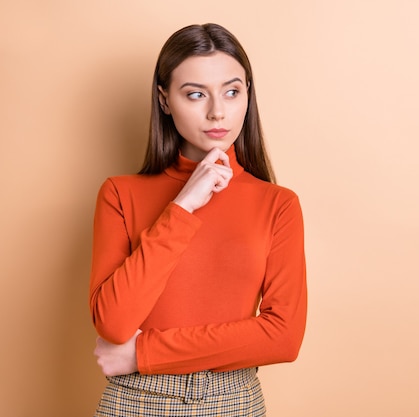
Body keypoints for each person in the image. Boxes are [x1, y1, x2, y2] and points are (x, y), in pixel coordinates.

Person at [89, 23, 307, 417]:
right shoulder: (119, 194)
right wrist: (183, 206)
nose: (217, 111)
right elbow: (114, 324)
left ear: (247, 96)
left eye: (231, 91)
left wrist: (143, 353)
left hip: (234, 401)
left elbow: (282, 338)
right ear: (165, 100)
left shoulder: (278, 205)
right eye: (195, 94)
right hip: (137, 403)